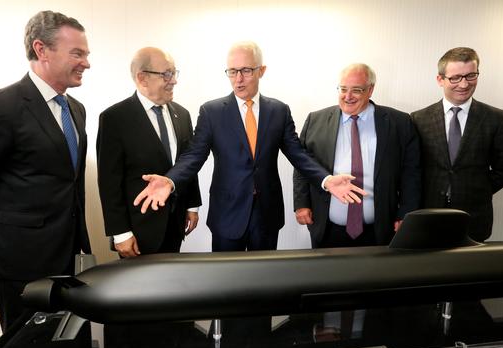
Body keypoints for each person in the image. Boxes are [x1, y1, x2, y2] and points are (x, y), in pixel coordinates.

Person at [133, 41, 366, 252]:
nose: (238, 79)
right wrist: (171, 180)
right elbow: (194, 155)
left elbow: (298, 154)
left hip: (266, 214)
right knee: (226, 283)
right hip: (227, 214)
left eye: (246, 70)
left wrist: (326, 180)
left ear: (261, 71)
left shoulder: (279, 111)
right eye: (232, 72)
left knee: (263, 281)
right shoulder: (211, 112)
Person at [0, 10, 91, 331]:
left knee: (64, 341)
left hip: (68, 253)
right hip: (22, 259)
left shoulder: (76, 110)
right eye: (77, 53)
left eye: (86, 54)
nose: (86, 63)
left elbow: (69, 179)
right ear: (42, 50)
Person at [293, 63, 421, 248]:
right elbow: (303, 166)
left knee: (377, 277)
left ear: (370, 90)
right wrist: (301, 203)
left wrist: (407, 213)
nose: (348, 96)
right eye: (343, 89)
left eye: (356, 90)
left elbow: (411, 173)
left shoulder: (399, 123)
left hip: (381, 230)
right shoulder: (316, 120)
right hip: (327, 228)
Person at [97, 47, 201, 257]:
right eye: (167, 74)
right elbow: (109, 183)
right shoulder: (114, 119)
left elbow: (188, 163)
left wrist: (192, 205)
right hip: (139, 231)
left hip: (176, 222)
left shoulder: (182, 114)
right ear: (142, 78)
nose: (174, 81)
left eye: (174, 73)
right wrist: (120, 233)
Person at [411, 47, 503, 242]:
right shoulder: (418, 119)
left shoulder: (496, 119)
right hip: (426, 216)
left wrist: (475, 189)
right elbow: (411, 169)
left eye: (471, 75)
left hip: (474, 218)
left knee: (469, 271)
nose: (464, 84)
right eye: (455, 78)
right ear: (440, 80)